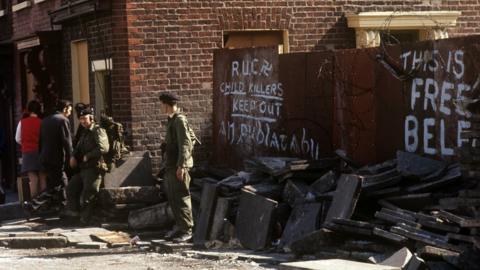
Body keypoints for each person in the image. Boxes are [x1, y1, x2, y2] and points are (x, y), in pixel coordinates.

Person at [64, 106, 109, 223]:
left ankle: (86, 220)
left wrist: (88, 155)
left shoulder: (97, 130)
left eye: (85, 118)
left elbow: (104, 148)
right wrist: (73, 156)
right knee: (71, 188)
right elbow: (78, 147)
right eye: (81, 119)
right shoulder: (84, 132)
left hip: (94, 168)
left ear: (91, 117)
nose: (83, 121)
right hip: (84, 169)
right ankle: (74, 214)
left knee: (88, 195)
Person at [159, 92, 194, 243]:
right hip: (171, 165)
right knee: (173, 198)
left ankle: (187, 230)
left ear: (167, 105)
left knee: (181, 197)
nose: (161, 107)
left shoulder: (179, 120)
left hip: (178, 166)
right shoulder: (171, 120)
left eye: (162, 105)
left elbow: (185, 144)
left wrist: (182, 165)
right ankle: (180, 227)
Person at [37, 100, 73, 206]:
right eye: (70, 110)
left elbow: (40, 141)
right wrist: (71, 157)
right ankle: (34, 204)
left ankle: (63, 206)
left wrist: (41, 155)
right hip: (56, 158)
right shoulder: (63, 120)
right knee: (61, 183)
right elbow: (67, 141)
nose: (70, 113)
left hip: (45, 157)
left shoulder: (45, 120)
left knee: (56, 184)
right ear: (65, 109)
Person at [15, 100, 46, 200]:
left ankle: (34, 202)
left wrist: (26, 143)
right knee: (42, 177)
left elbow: (17, 138)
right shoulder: (42, 122)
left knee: (33, 179)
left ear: (29, 110)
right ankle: (44, 202)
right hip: (41, 151)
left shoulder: (22, 122)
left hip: (28, 152)